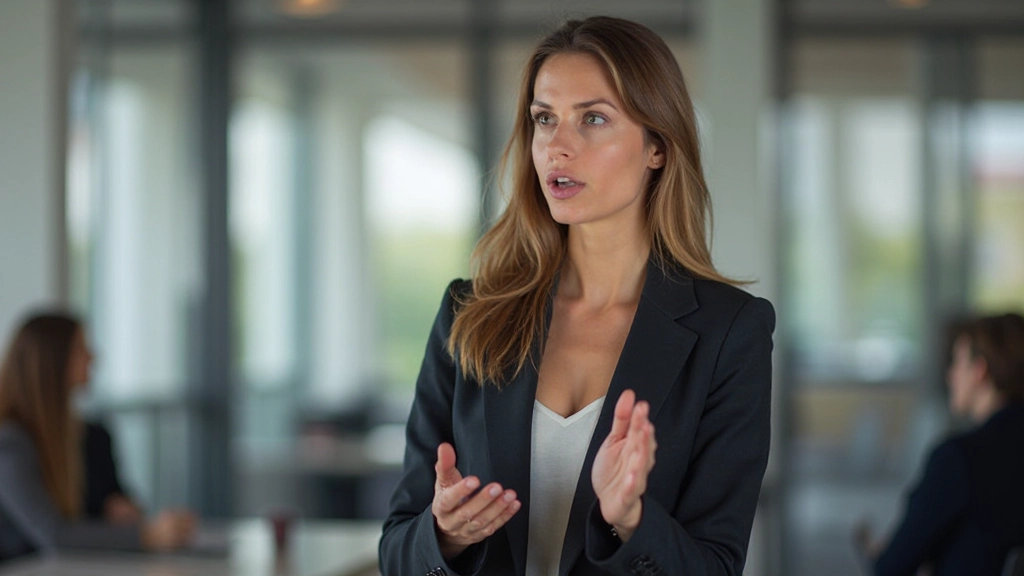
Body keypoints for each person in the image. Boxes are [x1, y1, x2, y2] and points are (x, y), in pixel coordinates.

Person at [379, 16, 775, 576]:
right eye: (545, 119)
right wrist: (442, 534)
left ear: (657, 147)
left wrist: (631, 520)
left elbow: (715, 566)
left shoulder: (730, 331)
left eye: (592, 118)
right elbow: (397, 550)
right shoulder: (470, 314)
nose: (558, 146)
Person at [0, 312, 196, 562]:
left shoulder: (93, 435)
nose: (93, 357)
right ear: (52, 363)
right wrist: (146, 535)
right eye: (81, 349)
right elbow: (55, 536)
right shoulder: (10, 445)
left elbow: (116, 502)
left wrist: (123, 513)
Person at [859, 313, 1024, 576]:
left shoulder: (959, 458)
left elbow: (893, 566)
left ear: (979, 371)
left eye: (956, 363)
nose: (950, 376)